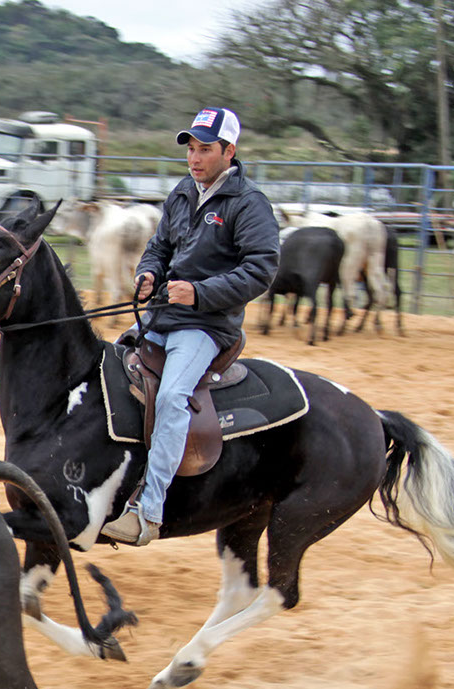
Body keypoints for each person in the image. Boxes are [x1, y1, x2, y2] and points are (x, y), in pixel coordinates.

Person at [100, 107, 280, 546]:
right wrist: (147, 273)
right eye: (191, 149)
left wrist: (199, 293)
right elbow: (159, 247)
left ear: (229, 151)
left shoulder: (249, 203)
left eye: (205, 150)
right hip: (163, 314)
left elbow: (260, 270)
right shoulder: (183, 192)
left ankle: (149, 512)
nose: (194, 158)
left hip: (206, 325)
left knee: (172, 397)